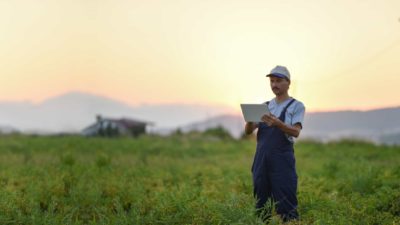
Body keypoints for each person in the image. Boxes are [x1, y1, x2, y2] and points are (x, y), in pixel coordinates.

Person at [244, 65, 305, 222]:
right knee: (261, 204)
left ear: (288, 83)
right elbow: (248, 131)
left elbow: (296, 132)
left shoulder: (296, 106)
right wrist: (250, 121)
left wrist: (279, 124)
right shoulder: (265, 106)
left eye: (278, 81)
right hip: (261, 160)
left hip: (282, 161)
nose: (274, 85)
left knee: (286, 203)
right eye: (272, 81)